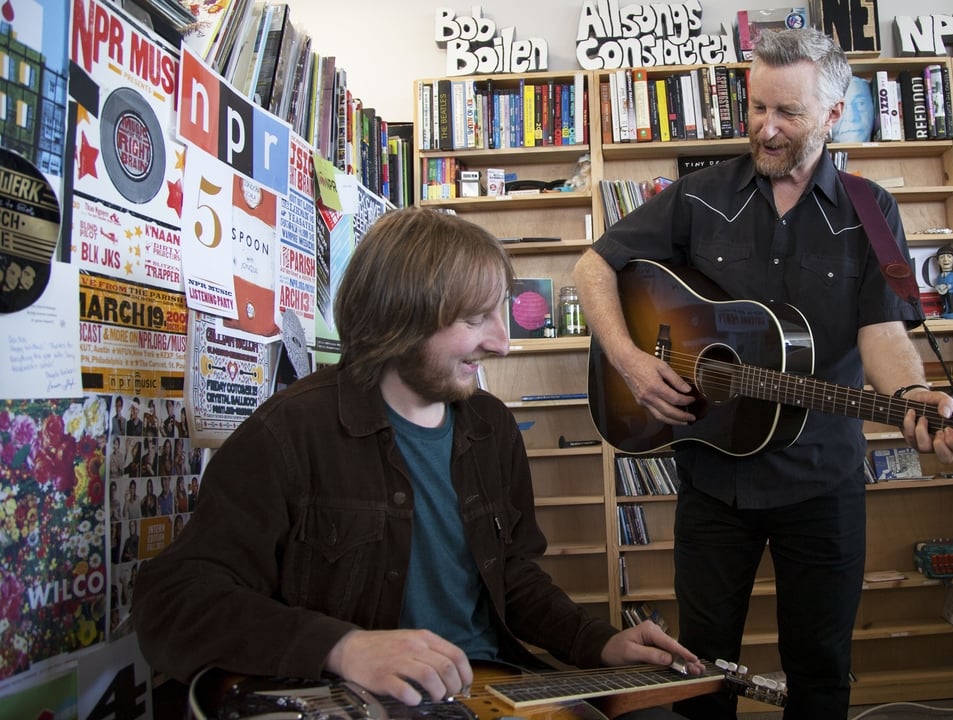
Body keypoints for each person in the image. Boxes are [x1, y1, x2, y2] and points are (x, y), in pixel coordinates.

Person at [132, 207, 702, 717]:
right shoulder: (289, 433)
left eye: (499, 314)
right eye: (476, 320)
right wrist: (342, 646)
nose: (503, 343)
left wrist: (597, 642)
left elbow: (513, 576)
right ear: (398, 320)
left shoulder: (492, 427)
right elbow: (173, 600)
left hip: (494, 688)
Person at [572, 28, 953, 720]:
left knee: (820, 669)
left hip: (822, 480)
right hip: (713, 480)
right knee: (701, 670)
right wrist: (631, 361)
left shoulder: (872, 212)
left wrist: (909, 396)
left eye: (788, 112)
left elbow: (883, 331)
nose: (767, 127)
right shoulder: (698, 197)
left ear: (835, 114)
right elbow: (594, 265)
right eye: (757, 108)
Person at [932, 245, 953, 319]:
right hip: (943, 293)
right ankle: (946, 311)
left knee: (951, 303)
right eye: (942, 257)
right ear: (938, 261)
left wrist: (949, 286)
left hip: (951, 292)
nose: (945, 259)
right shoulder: (939, 276)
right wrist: (938, 287)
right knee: (944, 303)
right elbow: (938, 284)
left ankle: (952, 311)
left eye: (949, 256)